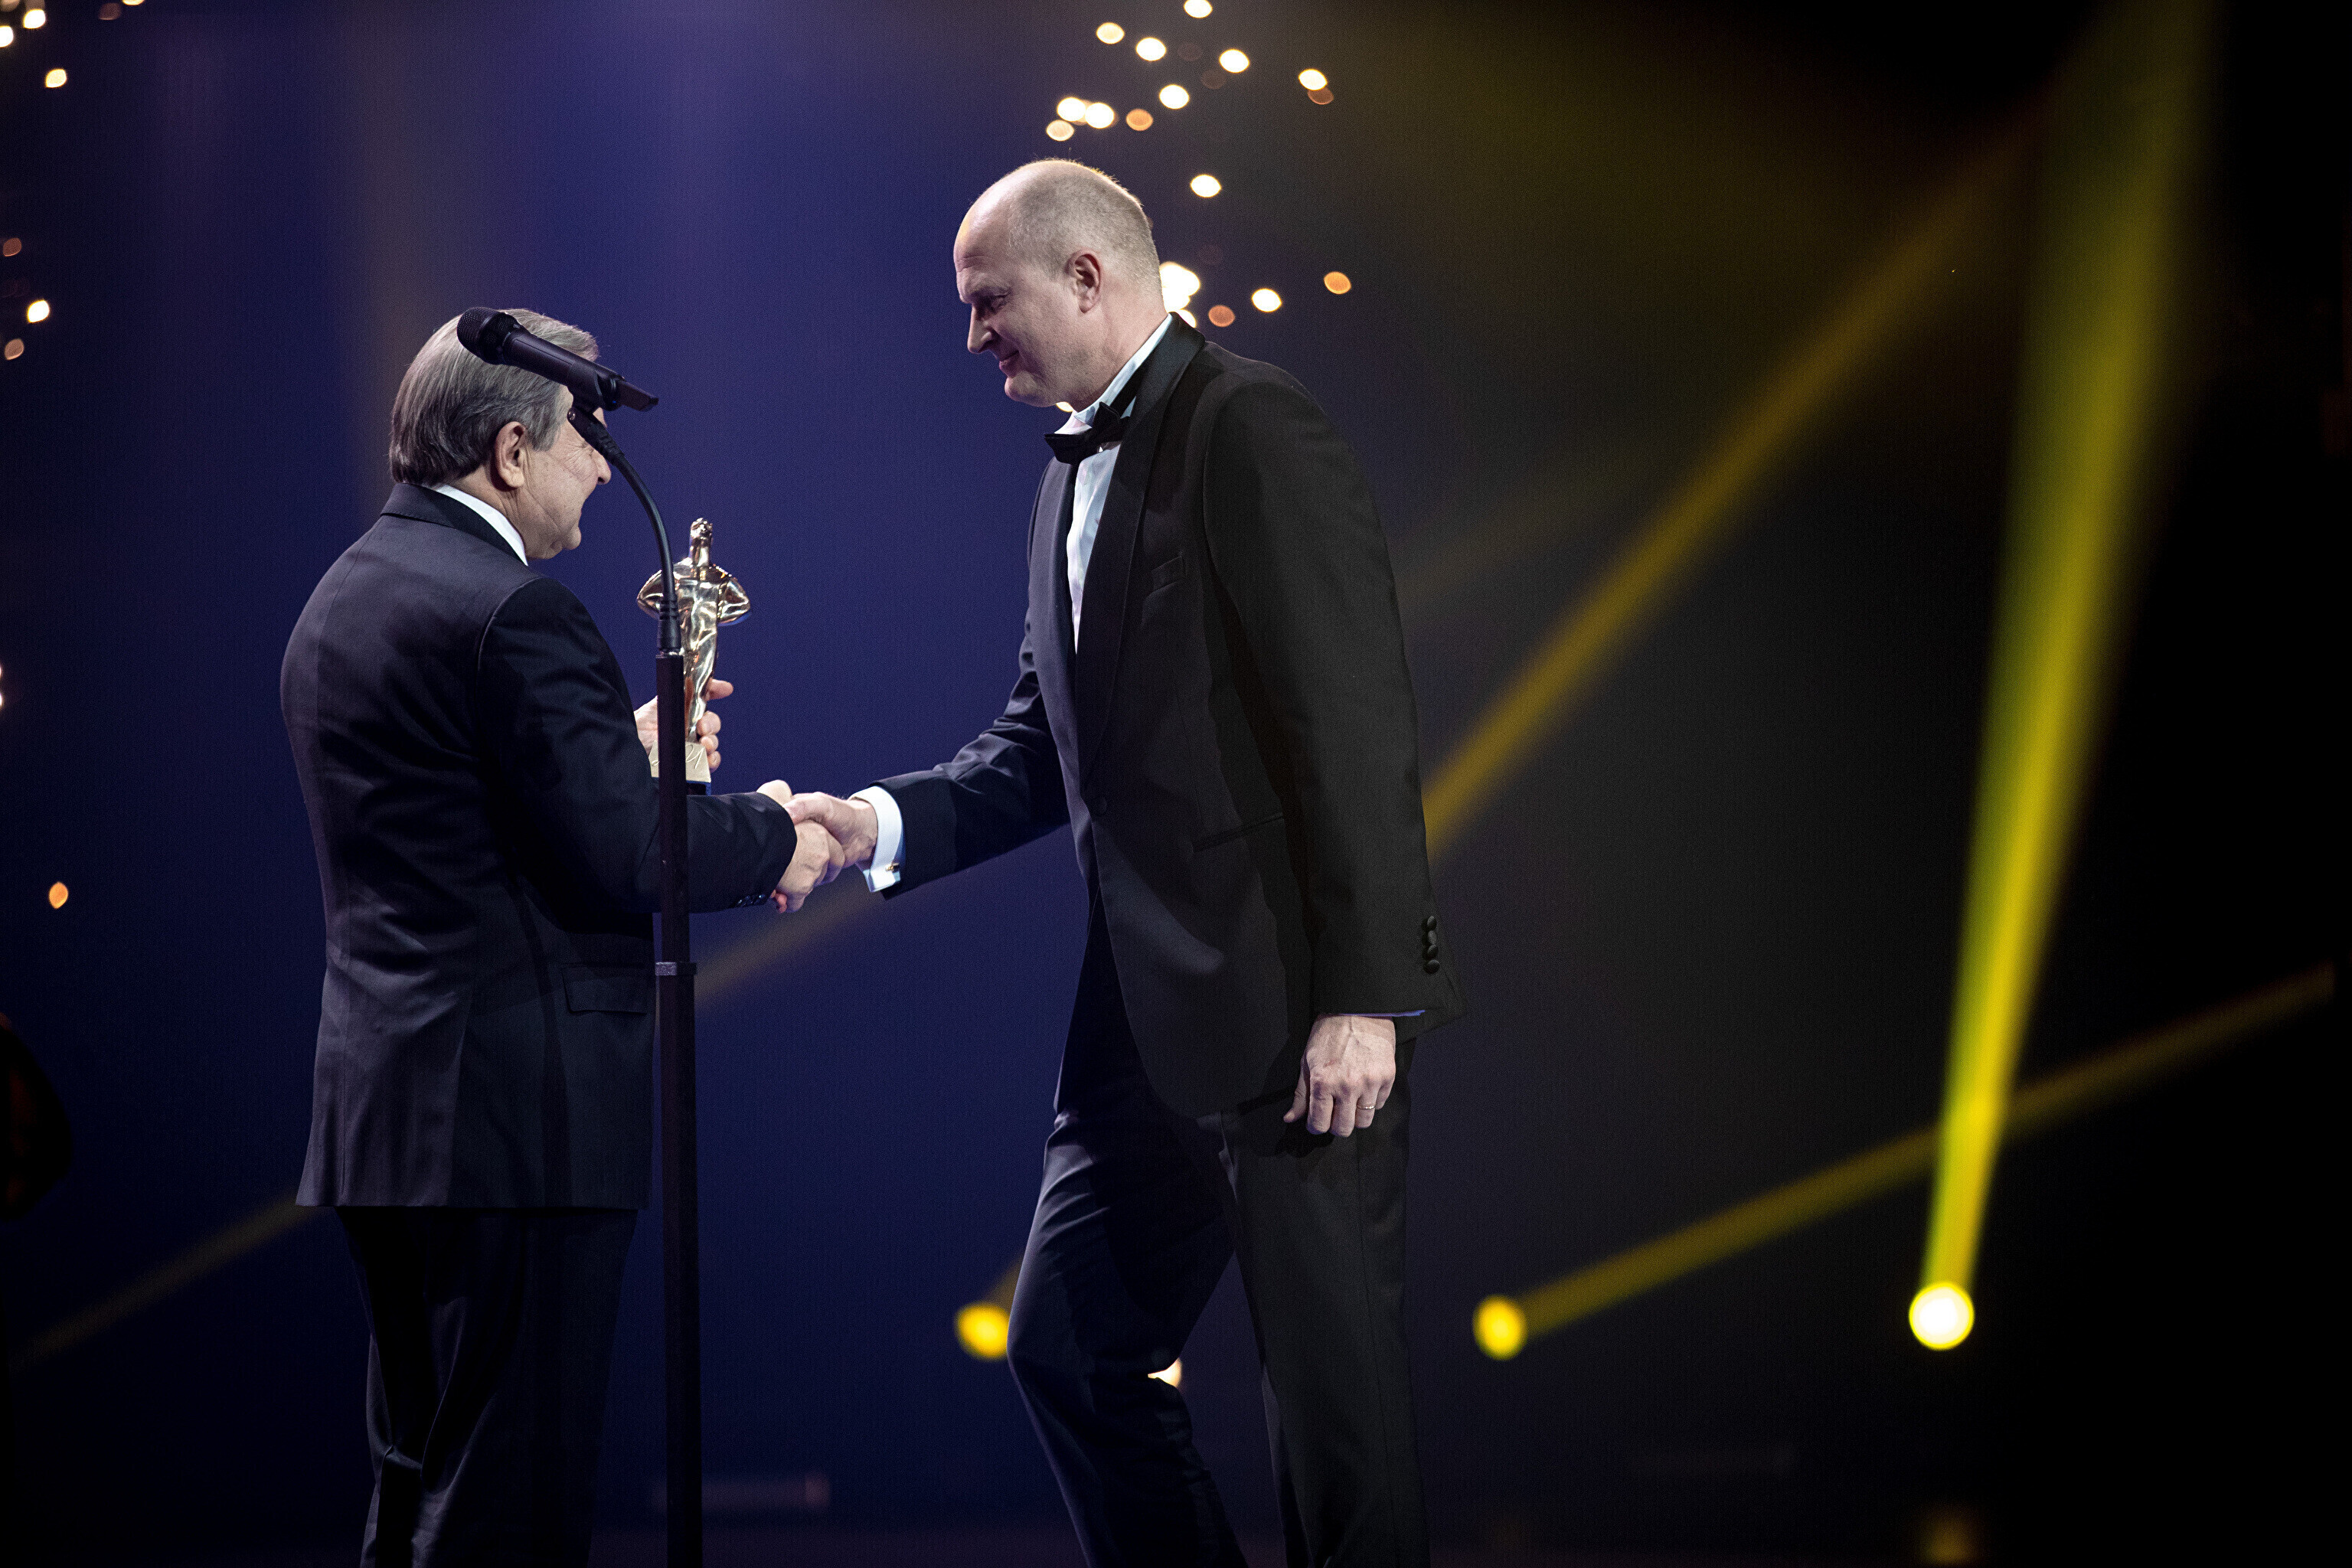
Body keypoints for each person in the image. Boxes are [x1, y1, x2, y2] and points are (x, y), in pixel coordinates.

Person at [790, 162, 1465, 1567]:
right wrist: (873, 824)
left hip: (1295, 1024)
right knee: (1067, 1351)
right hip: (1140, 1034)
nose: (973, 336)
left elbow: (1351, 724)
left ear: (1086, 276)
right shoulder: (1064, 484)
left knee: (1333, 1432)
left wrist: (1366, 995)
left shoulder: (1251, 426)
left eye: (989, 302)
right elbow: (1044, 748)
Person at [280, 310, 841, 1566]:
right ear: (510, 452)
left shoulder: (348, 593)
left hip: (389, 1118)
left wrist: (615, 753)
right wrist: (778, 836)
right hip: (518, 1124)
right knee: (508, 1504)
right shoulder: (516, 611)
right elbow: (631, 852)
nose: (599, 465)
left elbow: (472, 808)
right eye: (582, 438)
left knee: (419, 1479)